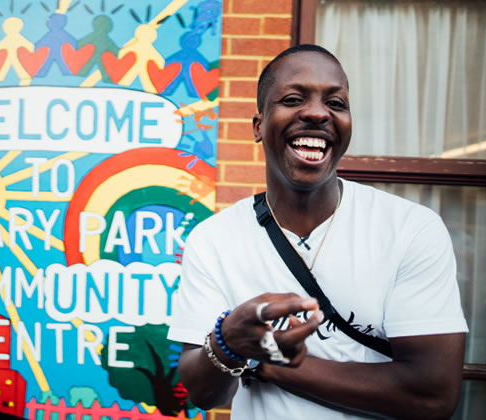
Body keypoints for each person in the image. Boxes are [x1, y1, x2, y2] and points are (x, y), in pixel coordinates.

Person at [167, 44, 468, 419]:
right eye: (293, 99)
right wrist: (227, 341)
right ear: (259, 126)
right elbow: (203, 393)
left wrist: (261, 360)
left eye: (336, 103)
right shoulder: (213, 241)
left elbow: (432, 397)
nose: (315, 112)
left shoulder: (410, 229)